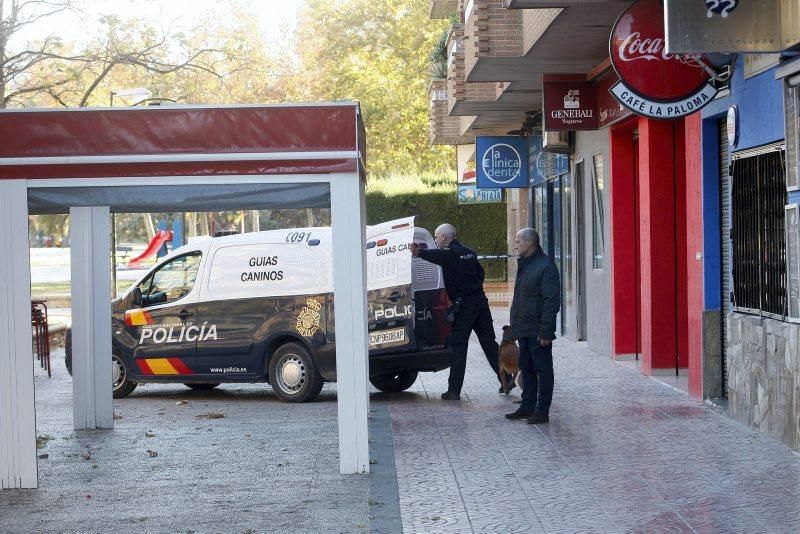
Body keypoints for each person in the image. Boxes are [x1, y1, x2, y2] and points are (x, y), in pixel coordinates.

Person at [410, 223, 510, 400]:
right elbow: (481, 274)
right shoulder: (469, 252)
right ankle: (505, 378)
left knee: (458, 347)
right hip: (480, 301)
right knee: (489, 342)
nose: (435, 240)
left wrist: (419, 252)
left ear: (443, 237)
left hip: (464, 306)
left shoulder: (450, 253)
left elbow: (437, 255)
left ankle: (454, 391)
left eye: (436, 236)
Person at [505, 228, 560, 424]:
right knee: (526, 367)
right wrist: (515, 327)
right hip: (524, 329)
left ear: (530, 243)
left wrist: (546, 331)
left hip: (538, 331)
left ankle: (542, 410)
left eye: (518, 240)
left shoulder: (545, 266)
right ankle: (527, 406)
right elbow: (522, 298)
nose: (515, 244)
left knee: (543, 370)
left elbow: (551, 301)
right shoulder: (526, 264)